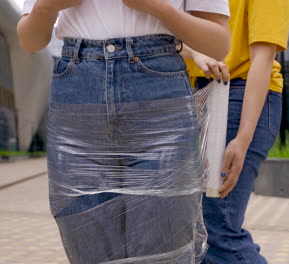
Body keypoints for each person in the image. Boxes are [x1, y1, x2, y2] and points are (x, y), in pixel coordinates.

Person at [17, 0, 230, 263]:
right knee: (89, 252)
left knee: (163, 253)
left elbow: (219, 43)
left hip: (157, 94)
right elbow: (29, 42)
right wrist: (45, 8)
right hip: (78, 94)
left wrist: (158, 8)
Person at [183, 0, 289, 263]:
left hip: (239, 95)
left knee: (218, 228)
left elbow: (263, 57)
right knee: (193, 231)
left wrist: (242, 139)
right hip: (195, 94)